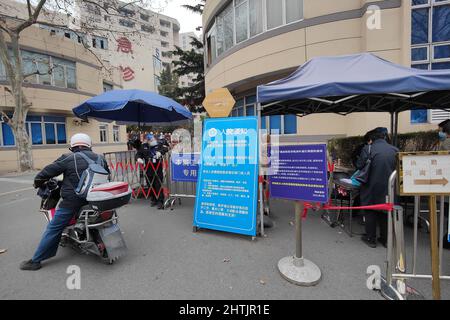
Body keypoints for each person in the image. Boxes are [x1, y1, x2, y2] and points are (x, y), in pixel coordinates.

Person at [20, 133, 110, 271]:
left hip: (73, 201)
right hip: (98, 198)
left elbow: (47, 172)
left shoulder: (68, 158)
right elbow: (107, 174)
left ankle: (36, 261)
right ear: (89, 144)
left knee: (54, 228)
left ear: (72, 146)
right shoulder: (100, 158)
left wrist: (37, 182)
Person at [356, 128, 399, 248]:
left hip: (371, 185)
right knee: (385, 211)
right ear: (384, 137)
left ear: (372, 139)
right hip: (389, 187)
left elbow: (359, 165)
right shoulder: (395, 150)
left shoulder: (368, 149)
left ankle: (371, 238)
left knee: (370, 211)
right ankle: (385, 240)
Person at [136, 134, 169, 209]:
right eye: (149, 140)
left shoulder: (159, 145)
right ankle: (154, 199)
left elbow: (166, 149)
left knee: (158, 185)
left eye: (152, 139)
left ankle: (160, 201)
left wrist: (160, 152)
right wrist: (138, 158)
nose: (151, 141)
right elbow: (138, 154)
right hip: (148, 168)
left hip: (157, 168)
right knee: (150, 185)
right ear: (147, 140)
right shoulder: (143, 146)